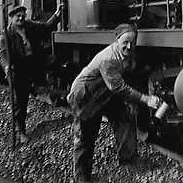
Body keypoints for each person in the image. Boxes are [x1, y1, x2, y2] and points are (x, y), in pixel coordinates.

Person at [67, 23, 160, 183]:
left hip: (106, 92)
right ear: (117, 41)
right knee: (86, 135)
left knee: (125, 117)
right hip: (87, 95)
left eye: (132, 42)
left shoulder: (129, 53)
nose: (129, 46)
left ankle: (128, 161)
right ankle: (82, 177)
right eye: (125, 42)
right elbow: (119, 88)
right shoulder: (108, 58)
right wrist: (146, 99)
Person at [0, 4, 63, 143]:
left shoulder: (29, 26)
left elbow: (46, 27)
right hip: (19, 70)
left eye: (23, 15)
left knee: (54, 64)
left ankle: (55, 94)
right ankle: (21, 132)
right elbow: (2, 53)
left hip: (33, 65)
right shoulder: (6, 34)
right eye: (18, 17)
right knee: (21, 102)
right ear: (11, 18)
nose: (21, 18)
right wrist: (6, 66)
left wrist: (57, 15)